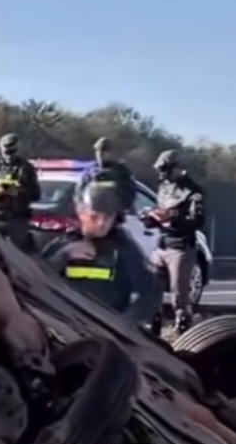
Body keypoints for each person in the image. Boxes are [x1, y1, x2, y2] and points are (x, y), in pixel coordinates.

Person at [41, 176, 162, 334]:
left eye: (107, 217)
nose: (101, 224)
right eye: (94, 217)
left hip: (108, 332)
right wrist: (63, 256)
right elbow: (38, 282)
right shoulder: (63, 244)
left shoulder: (124, 247)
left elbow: (150, 293)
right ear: (81, 212)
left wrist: (124, 324)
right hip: (68, 329)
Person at [144, 149, 206, 333]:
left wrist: (173, 216)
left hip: (180, 246)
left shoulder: (193, 191)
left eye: (164, 169)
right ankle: (153, 329)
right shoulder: (163, 188)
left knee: (178, 294)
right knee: (152, 289)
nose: (161, 174)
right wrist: (150, 218)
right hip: (161, 244)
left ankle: (182, 330)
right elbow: (159, 211)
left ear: (176, 167)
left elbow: (197, 220)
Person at [0, 133, 42, 251]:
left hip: (18, 219)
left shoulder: (26, 169)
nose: (9, 156)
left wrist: (18, 193)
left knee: (18, 253)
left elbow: (36, 194)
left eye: (12, 152)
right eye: (6, 152)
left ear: (17, 150)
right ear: (1, 150)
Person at [74, 137, 136, 219]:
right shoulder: (90, 171)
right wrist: (83, 208)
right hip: (93, 216)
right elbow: (79, 193)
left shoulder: (120, 172)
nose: (100, 153)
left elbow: (129, 194)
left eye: (104, 150)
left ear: (110, 153)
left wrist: (120, 211)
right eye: (97, 150)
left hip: (113, 217)